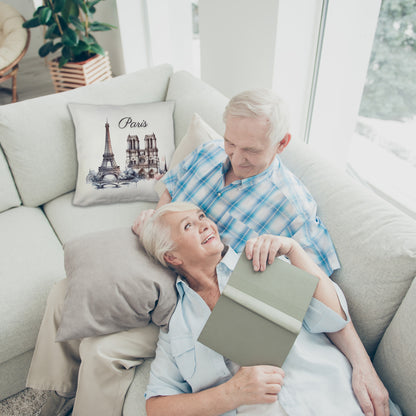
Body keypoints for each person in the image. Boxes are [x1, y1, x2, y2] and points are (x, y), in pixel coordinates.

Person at [133, 89, 389, 414]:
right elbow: (172, 188)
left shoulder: (288, 218)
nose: (236, 158)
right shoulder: (209, 154)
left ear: (281, 144)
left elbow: (323, 301)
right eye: (231, 143)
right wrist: (159, 226)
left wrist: (363, 366)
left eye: (250, 150)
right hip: (169, 289)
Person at [140, 202, 398, 416]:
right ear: (172, 257)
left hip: (338, 401)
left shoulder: (261, 261)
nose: (205, 224)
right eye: (188, 226)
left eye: (202, 216)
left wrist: (294, 250)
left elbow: (333, 318)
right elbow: (157, 407)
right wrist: (231, 393)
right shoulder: (177, 326)